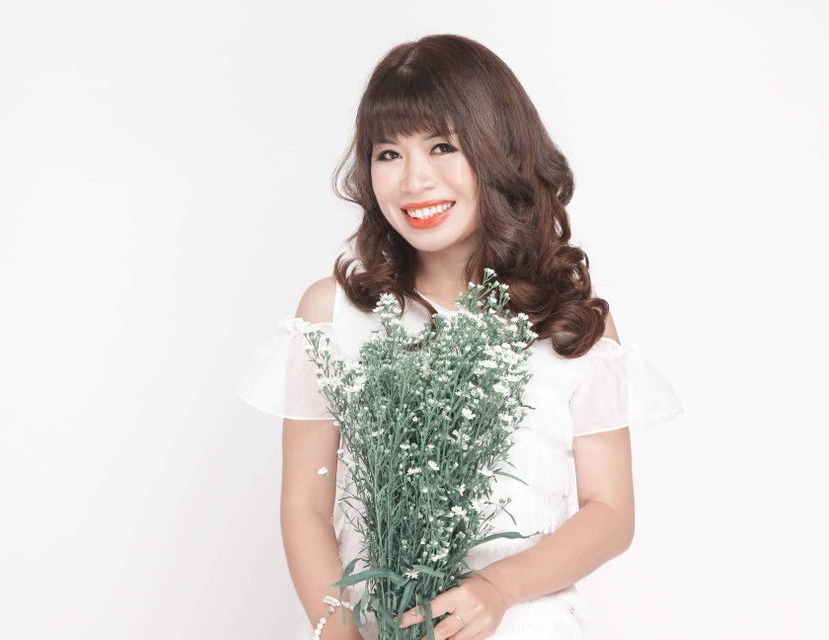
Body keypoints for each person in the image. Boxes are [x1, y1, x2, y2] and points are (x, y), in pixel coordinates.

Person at [235, 34, 684, 640]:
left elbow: (609, 514)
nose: (414, 181)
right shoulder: (333, 314)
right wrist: (340, 634)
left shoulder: (571, 324)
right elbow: (305, 505)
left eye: (442, 146)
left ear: (500, 150)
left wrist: (499, 589)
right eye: (388, 153)